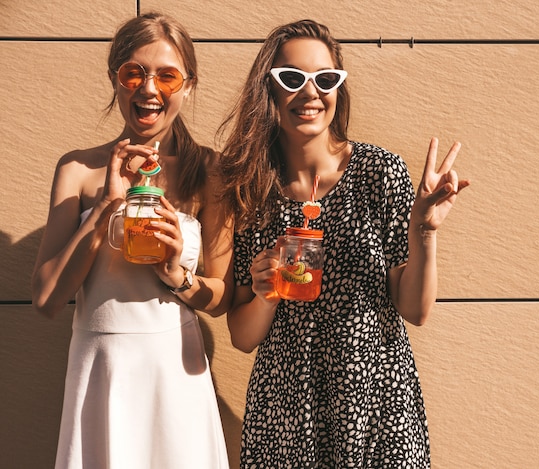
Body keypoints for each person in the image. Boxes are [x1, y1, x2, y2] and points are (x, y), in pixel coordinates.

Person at [218, 19, 469, 468]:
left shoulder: (378, 172)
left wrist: (424, 232)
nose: (310, 93)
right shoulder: (251, 188)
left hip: (375, 405)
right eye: (292, 78)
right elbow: (242, 336)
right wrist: (266, 291)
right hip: (285, 414)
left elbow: (415, 309)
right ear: (269, 89)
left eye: (326, 79)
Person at [32, 12, 231, 468]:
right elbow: (46, 299)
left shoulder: (210, 171)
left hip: (174, 370)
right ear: (115, 80)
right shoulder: (78, 170)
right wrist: (104, 208)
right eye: (134, 73)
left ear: (187, 84)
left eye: (167, 76)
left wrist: (178, 274)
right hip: (100, 365)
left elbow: (221, 296)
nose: (149, 89)